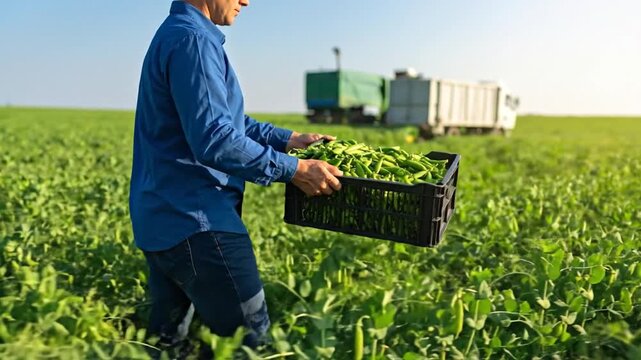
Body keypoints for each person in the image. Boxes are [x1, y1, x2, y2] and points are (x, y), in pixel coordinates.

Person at [129, 0, 343, 355]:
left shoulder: (178, 34)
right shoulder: (193, 41)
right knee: (253, 344)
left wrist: (288, 140)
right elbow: (215, 139)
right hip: (198, 223)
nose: (246, 0)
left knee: (166, 345)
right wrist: (296, 170)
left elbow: (229, 121)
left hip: (161, 219)